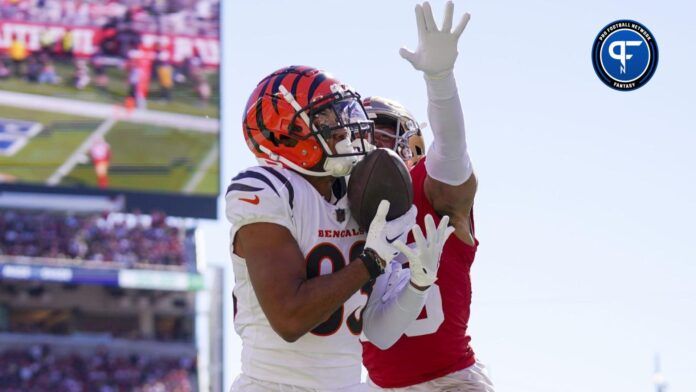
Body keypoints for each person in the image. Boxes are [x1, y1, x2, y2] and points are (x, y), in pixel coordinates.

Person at [226, 65, 453, 391]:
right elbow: (290, 318)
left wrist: (418, 284)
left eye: (340, 116)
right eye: (326, 120)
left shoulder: (361, 196)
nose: (343, 130)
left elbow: (379, 332)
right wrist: (370, 262)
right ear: (285, 134)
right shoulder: (264, 188)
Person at [360, 2, 495, 391]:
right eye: (363, 136)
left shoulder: (433, 188)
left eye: (383, 136)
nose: (372, 148)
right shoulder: (343, 208)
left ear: (413, 146)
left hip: (451, 381)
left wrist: (440, 79)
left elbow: (452, 147)